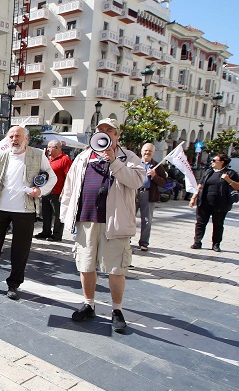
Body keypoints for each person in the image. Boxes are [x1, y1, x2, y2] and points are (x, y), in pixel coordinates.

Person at [59, 118, 145, 333]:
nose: (105, 133)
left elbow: (136, 182)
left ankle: (117, 310)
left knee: (116, 268)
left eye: (109, 130)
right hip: (86, 219)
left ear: (117, 135)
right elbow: (69, 188)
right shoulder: (83, 157)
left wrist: (115, 161)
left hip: (114, 223)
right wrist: (65, 214)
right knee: (86, 265)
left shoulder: (129, 158)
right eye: (100, 130)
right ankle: (89, 304)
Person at [0, 126, 56, 300]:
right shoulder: (2, 156)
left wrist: (40, 191)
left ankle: (13, 285)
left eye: (18, 136)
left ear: (26, 138)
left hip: (25, 210)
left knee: (20, 249)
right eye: (11, 137)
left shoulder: (37, 154)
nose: (14, 140)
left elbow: (52, 177)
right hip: (0, 208)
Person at [188, 152, 239, 252]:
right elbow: (200, 185)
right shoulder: (209, 172)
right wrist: (193, 198)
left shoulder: (230, 173)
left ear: (222, 162)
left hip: (221, 204)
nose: (212, 162)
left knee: (218, 224)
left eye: (214, 160)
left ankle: (216, 244)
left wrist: (228, 180)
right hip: (204, 202)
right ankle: (197, 242)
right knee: (200, 223)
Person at [35, 140, 72, 242]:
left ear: (57, 148)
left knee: (58, 215)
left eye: (50, 147)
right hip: (47, 191)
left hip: (58, 193)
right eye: (48, 147)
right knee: (46, 213)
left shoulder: (65, 160)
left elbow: (69, 177)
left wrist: (65, 191)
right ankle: (46, 231)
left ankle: (57, 235)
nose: (48, 149)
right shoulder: (48, 159)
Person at [135, 142, 168, 252]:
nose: (147, 153)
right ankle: (127, 239)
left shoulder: (157, 166)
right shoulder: (135, 163)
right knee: (129, 218)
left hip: (148, 194)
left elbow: (164, 183)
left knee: (146, 220)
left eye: (150, 151)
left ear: (153, 153)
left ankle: (144, 242)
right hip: (134, 193)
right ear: (141, 151)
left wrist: (155, 176)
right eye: (146, 150)